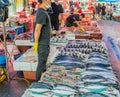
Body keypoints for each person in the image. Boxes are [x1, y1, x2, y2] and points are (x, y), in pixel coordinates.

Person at [33, 0, 51, 81]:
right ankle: (38, 83)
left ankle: (41, 81)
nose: (50, 1)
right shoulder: (41, 13)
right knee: (41, 64)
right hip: (42, 43)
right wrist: (36, 43)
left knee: (43, 64)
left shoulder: (43, 12)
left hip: (44, 42)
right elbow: (37, 29)